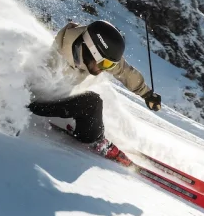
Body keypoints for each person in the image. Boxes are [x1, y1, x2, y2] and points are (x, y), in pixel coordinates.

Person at [28, 20, 161, 159]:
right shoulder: (55, 59)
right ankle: (95, 140)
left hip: (59, 97)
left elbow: (124, 70)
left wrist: (147, 94)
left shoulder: (93, 55)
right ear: (91, 50)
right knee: (91, 103)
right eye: (105, 63)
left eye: (110, 65)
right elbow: (30, 88)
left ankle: (75, 124)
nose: (105, 68)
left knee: (88, 102)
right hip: (38, 102)